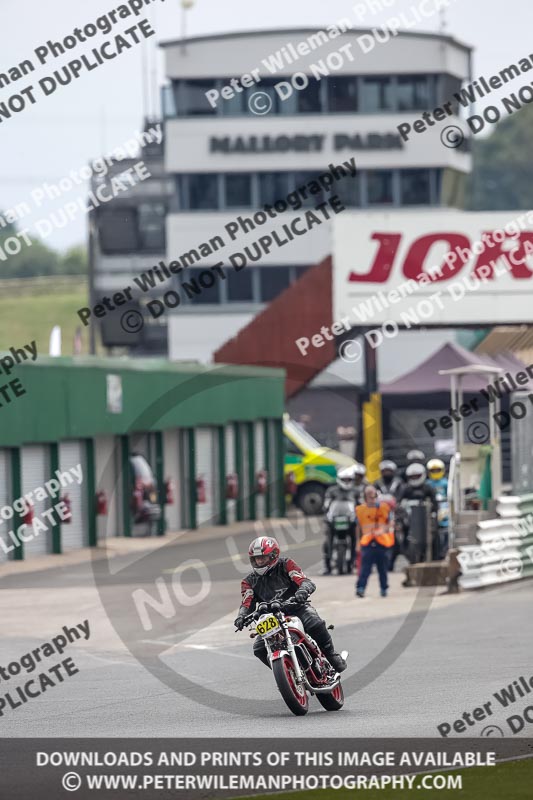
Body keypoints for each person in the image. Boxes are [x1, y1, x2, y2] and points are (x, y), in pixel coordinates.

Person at [234, 536, 347, 673]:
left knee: (314, 623)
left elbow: (304, 581)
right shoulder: (248, 581)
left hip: (296, 607)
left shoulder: (286, 564)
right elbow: (247, 602)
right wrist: (241, 616)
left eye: (263, 558)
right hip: (271, 617)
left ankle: (331, 655)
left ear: (273, 555)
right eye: (256, 558)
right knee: (259, 649)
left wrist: (303, 591)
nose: (259, 561)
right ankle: (287, 673)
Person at [355, 485, 394, 598]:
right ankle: (360, 588)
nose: (372, 498)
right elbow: (358, 527)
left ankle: (383, 588)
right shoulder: (360, 510)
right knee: (365, 568)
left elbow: (390, 523)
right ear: (365, 497)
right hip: (367, 542)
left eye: (374, 495)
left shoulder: (384, 507)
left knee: (382, 568)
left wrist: (383, 530)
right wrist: (357, 542)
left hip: (382, 542)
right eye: (370, 496)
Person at [322, 467, 357, 574]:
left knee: (356, 539)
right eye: (344, 479)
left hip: (350, 519)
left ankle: (353, 561)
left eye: (349, 480)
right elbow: (326, 503)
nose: (346, 482)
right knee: (328, 541)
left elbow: (361, 504)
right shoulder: (332, 491)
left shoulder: (356, 491)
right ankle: (327, 565)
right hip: (334, 519)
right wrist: (326, 509)